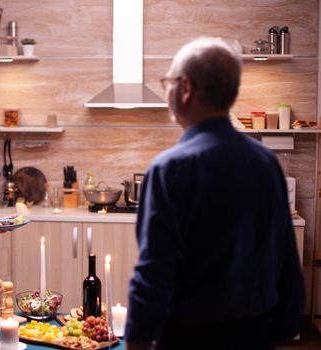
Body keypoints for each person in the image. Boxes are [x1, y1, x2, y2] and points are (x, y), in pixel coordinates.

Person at [125, 37, 305, 350]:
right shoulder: (266, 163)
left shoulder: (170, 168)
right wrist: (276, 331)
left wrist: (137, 341)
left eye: (167, 82)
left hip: (190, 339)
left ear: (186, 87)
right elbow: (287, 258)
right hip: (255, 335)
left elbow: (154, 271)